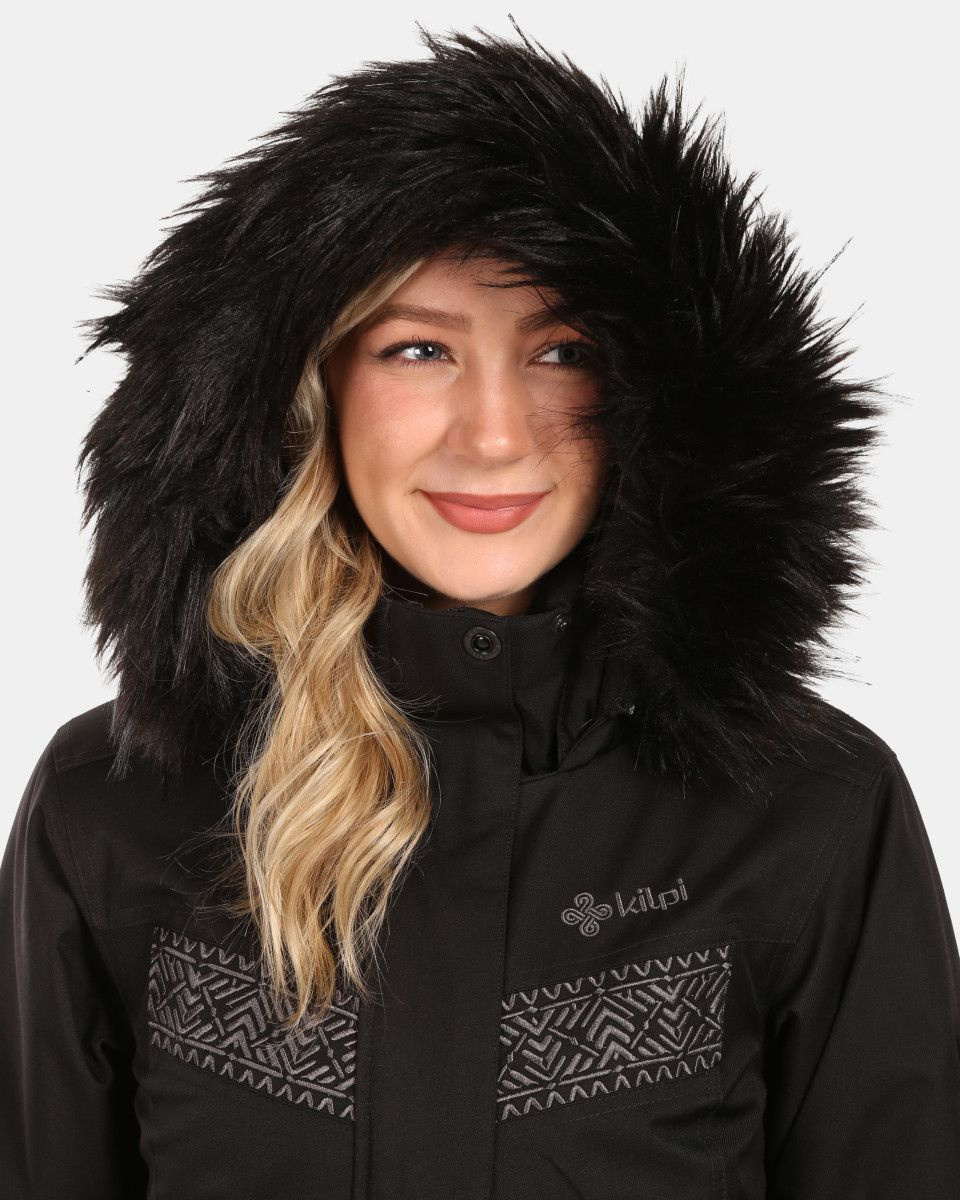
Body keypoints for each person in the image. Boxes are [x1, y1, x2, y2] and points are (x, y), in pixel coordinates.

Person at [1, 19, 958, 1200]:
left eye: (563, 351)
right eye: (418, 350)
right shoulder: (114, 807)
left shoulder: (809, 811)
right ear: (304, 388)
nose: (496, 435)